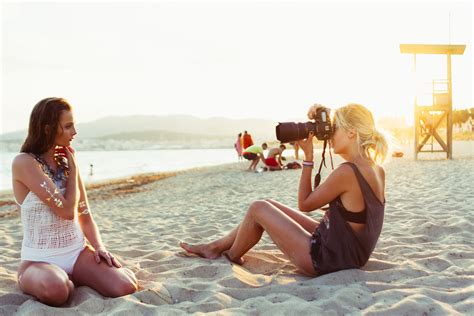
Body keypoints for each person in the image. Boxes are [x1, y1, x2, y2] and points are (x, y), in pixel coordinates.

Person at [180, 103, 388, 277]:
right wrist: (322, 117)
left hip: (327, 258)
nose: (330, 135)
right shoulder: (375, 168)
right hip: (347, 251)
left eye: (335, 129)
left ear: (351, 132)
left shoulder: (348, 172)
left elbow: (305, 204)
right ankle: (215, 247)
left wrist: (308, 158)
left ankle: (231, 256)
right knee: (269, 204)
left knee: (258, 208)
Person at [12, 97, 138, 306]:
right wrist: (75, 170)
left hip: (76, 252)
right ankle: (64, 280)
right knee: (57, 290)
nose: (75, 132)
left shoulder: (67, 161)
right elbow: (68, 211)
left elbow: (84, 214)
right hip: (38, 261)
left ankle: (78, 275)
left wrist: (99, 247)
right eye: (68, 126)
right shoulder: (24, 162)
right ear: (48, 129)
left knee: (125, 286)